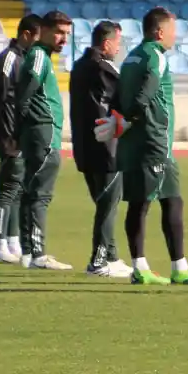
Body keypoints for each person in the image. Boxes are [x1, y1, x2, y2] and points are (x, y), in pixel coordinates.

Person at [101, 7, 188, 287]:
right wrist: (128, 119)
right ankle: (178, 268)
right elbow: (146, 92)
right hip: (154, 142)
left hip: (134, 142)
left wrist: (116, 120)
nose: (175, 36)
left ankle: (143, 267)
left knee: (141, 202)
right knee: (170, 201)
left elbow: (116, 96)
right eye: (172, 31)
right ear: (159, 32)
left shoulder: (131, 57)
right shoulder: (155, 56)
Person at [70, 20, 131, 278]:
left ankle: (112, 256)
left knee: (104, 202)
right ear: (106, 43)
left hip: (84, 147)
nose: (119, 48)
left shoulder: (79, 66)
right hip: (106, 148)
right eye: (117, 42)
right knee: (108, 205)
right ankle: (98, 261)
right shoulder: (103, 69)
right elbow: (122, 103)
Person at [13, 11, 73, 271]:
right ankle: (38, 255)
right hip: (44, 132)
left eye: (67, 34)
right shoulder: (39, 56)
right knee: (40, 195)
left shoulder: (41, 56)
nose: (63, 39)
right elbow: (26, 89)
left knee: (31, 193)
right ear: (45, 30)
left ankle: (28, 252)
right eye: (59, 33)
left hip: (39, 132)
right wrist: (26, 120)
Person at [0, 13, 40, 265]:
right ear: (26, 35)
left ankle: (13, 241)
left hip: (20, 133)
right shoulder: (8, 59)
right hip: (9, 133)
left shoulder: (25, 59)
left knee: (18, 188)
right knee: (8, 188)